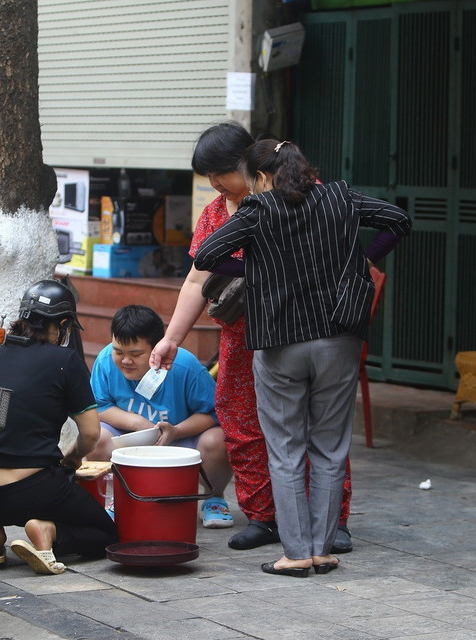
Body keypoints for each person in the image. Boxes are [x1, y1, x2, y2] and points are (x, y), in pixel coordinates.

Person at [191, 139, 412, 577]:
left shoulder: (258, 210)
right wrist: (359, 258)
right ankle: (324, 549)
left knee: (285, 448)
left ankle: (296, 553)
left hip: (280, 342)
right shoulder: (339, 195)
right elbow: (398, 220)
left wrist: (256, 267)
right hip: (339, 338)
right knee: (330, 447)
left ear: (259, 177)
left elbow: (207, 255)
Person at [149, 122, 356, 553]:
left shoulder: (303, 195)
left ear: (248, 165)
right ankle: (264, 516)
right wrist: (171, 338)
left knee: (319, 428)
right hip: (243, 338)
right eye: (207, 177)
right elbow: (194, 281)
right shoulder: (214, 212)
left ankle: (331, 519)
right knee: (241, 424)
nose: (214, 185)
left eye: (219, 174)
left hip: (306, 331)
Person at [0, 280, 118, 574]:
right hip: (33, 493)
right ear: (62, 324)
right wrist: (73, 457)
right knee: (109, 534)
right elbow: (90, 433)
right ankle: (48, 531)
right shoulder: (65, 360)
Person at [87, 304, 235, 527]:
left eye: (135, 354)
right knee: (93, 436)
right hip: (128, 439)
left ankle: (214, 498)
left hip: (181, 440)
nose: (125, 361)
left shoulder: (185, 366)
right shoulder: (105, 360)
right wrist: (136, 423)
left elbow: (214, 413)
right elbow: (99, 406)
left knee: (218, 440)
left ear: (158, 348)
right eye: (119, 352)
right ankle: (119, 498)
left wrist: (176, 431)